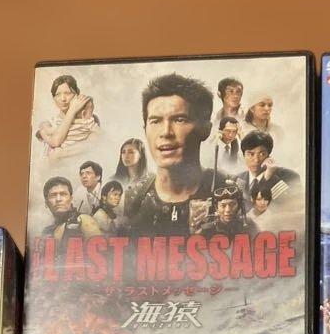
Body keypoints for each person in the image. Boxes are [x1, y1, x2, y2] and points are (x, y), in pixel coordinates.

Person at [126, 74, 232, 234]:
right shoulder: (133, 199)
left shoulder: (228, 191)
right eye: (155, 121)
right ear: (145, 129)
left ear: (205, 129)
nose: (166, 132)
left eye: (180, 120)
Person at [36, 73, 99, 159]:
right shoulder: (48, 123)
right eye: (57, 94)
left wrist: (62, 153)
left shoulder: (89, 119)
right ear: (53, 98)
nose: (63, 99)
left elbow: (95, 143)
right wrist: (72, 111)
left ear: (77, 94)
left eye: (68, 93)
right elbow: (56, 141)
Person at [234, 130, 299, 211]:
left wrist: (269, 177)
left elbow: (292, 206)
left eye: (262, 154)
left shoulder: (291, 177)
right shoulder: (236, 180)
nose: (256, 160)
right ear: (244, 155)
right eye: (251, 154)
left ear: (269, 156)